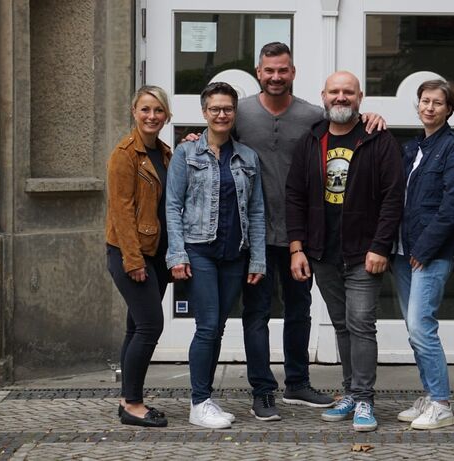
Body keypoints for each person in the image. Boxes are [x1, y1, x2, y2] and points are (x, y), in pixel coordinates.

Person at [183, 42, 385, 422]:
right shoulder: (240, 112)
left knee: (299, 311)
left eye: (283, 70)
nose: (276, 77)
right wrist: (193, 139)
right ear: (258, 72)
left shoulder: (312, 115)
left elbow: (346, 125)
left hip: (300, 236)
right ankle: (262, 390)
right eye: (269, 70)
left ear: (293, 73)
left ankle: (297, 382)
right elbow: (215, 134)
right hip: (251, 234)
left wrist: (371, 116)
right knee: (256, 313)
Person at [285, 71, 404, 432]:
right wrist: (297, 248)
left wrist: (380, 246)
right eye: (334, 91)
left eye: (348, 92)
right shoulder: (311, 140)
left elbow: (393, 197)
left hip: (364, 254)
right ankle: (350, 393)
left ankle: (365, 399)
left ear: (360, 97)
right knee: (342, 325)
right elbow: (295, 196)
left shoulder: (378, 138)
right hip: (323, 253)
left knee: (361, 325)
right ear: (323, 96)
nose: (341, 97)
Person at [166, 82, 266, 429]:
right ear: (204, 112)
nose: (221, 114)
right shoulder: (186, 153)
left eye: (227, 109)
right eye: (215, 109)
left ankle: (206, 399)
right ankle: (198, 402)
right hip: (199, 251)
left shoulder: (248, 157)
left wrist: (258, 259)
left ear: (234, 113)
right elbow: (172, 205)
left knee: (218, 327)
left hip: (234, 255)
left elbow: (257, 211)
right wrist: (177, 254)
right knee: (207, 327)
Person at [392, 80, 454, 430]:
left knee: (421, 325)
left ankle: (441, 403)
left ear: (449, 109)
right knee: (414, 330)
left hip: (432, 251)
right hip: (403, 252)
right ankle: (429, 395)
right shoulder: (413, 147)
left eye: (437, 103)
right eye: (425, 101)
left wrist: (424, 249)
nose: (429, 107)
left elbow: (452, 205)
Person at [105, 86, 173, 428]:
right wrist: (133, 260)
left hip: (156, 253)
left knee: (136, 327)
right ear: (134, 112)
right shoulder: (124, 154)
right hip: (130, 252)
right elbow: (121, 212)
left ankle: (127, 399)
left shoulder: (164, 152)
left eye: (158, 110)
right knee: (150, 325)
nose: (151, 116)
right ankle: (133, 404)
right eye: (145, 109)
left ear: (167, 115)